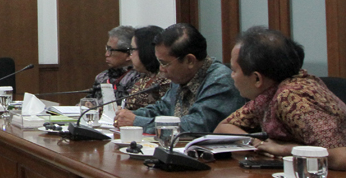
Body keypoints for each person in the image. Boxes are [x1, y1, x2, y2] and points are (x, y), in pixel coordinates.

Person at [215, 27, 346, 171]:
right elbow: (223, 128)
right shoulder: (270, 93)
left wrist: (286, 149)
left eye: (234, 70)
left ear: (257, 78)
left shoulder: (293, 98)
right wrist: (258, 144)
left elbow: (341, 158)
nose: (232, 76)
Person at [114, 23, 245, 133]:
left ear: (189, 61)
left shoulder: (221, 81)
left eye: (164, 63)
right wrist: (130, 115)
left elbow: (196, 126)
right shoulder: (181, 77)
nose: (161, 69)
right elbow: (162, 109)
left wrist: (137, 122)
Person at [122, 25, 171, 111]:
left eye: (132, 50)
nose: (130, 56)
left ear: (145, 50)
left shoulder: (164, 81)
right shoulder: (144, 77)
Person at [91, 26, 138, 102]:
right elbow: (91, 99)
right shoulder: (102, 77)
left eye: (110, 50)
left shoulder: (138, 78)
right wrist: (88, 103)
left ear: (129, 54)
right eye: (107, 49)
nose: (106, 54)